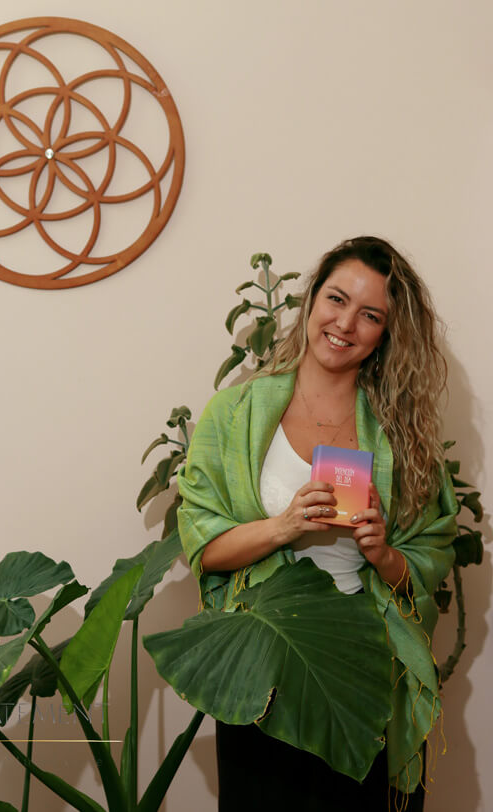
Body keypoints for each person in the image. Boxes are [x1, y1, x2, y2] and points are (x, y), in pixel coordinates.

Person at [177, 236, 458, 811]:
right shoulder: (234, 414)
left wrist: (383, 553)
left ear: (386, 334)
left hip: (365, 668)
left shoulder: (401, 437)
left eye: (370, 315)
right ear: (311, 301)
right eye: (336, 299)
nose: (345, 324)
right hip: (263, 668)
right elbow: (203, 548)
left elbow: (426, 566)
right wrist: (282, 527)